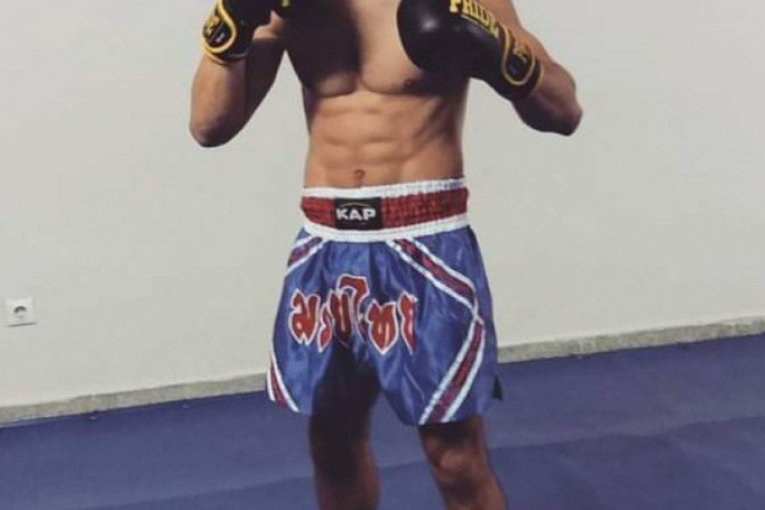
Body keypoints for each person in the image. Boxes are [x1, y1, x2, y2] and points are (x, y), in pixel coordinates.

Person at [190, 0, 581, 508]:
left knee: (454, 456)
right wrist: (234, 17)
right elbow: (209, 126)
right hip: (326, 243)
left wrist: (502, 53)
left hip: (426, 242)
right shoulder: (292, 6)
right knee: (332, 442)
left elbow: (564, 112)